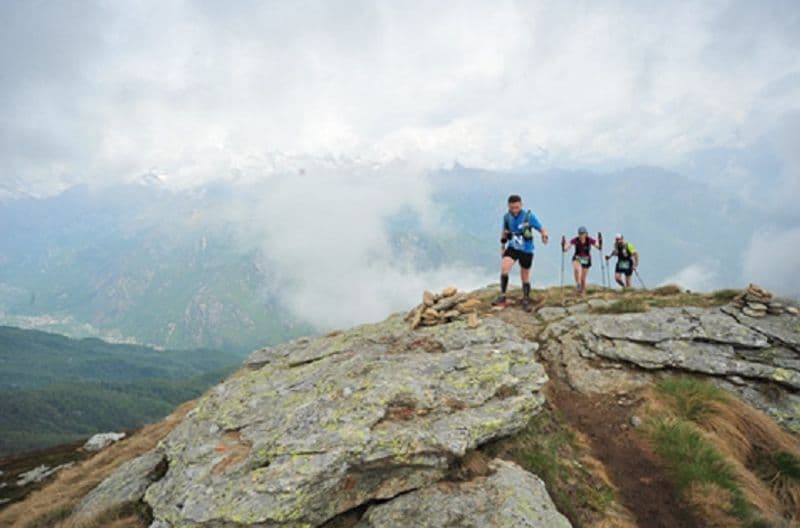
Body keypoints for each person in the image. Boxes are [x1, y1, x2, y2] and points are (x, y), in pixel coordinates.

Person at [491, 194, 549, 311]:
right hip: (512, 247)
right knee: (504, 268)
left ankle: (526, 299)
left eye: (517, 207)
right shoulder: (507, 217)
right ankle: (502, 296)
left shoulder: (529, 217)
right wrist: (503, 246)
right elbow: (504, 232)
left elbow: (541, 228)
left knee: (525, 275)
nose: (514, 210)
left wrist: (544, 235)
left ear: (521, 205)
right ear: (508, 206)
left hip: (526, 249)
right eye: (512, 208)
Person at [562, 226, 600, 295]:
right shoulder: (575, 240)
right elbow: (567, 248)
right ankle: (578, 284)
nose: (581, 235)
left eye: (583, 233)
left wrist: (600, 243)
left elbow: (597, 246)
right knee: (577, 268)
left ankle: (583, 292)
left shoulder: (589, 240)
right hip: (577, 257)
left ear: (586, 234)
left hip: (586, 259)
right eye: (580, 234)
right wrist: (564, 246)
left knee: (583, 278)